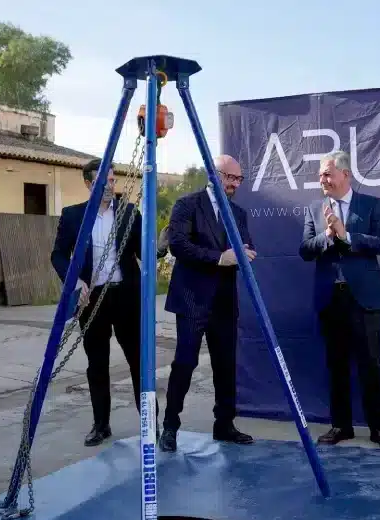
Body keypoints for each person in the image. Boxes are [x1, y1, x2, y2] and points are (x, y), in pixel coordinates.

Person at [50, 158, 156, 447]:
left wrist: (161, 244)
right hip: (91, 297)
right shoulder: (73, 216)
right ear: (88, 183)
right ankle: (101, 424)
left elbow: (147, 252)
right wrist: (75, 281)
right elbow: (58, 255)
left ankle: (150, 424)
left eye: (112, 180)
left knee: (138, 360)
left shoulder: (129, 213)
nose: (110, 185)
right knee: (97, 363)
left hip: (125, 295)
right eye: (102, 181)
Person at [299, 150, 380, 450]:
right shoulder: (314, 209)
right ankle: (341, 426)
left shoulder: (370, 205)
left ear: (345, 175)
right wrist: (329, 236)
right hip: (331, 300)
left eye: (327, 174)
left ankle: (379, 429)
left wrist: (349, 236)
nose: (323, 180)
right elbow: (305, 249)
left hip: (364, 300)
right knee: (336, 366)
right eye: (320, 175)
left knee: (371, 366)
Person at [159, 155, 256, 452]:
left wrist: (245, 253)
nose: (234, 184)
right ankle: (170, 427)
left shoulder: (238, 213)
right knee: (185, 363)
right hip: (192, 299)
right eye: (230, 178)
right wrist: (219, 258)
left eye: (239, 179)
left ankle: (224, 425)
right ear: (214, 175)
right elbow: (178, 244)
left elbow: (247, 244)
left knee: (225, 366)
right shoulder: (187, 205)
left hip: (225, 301)